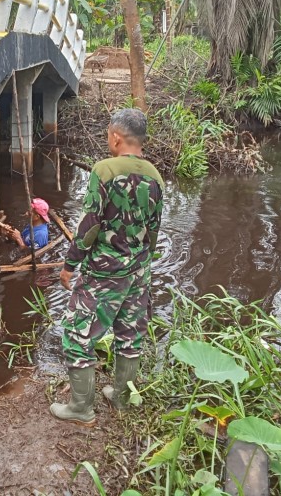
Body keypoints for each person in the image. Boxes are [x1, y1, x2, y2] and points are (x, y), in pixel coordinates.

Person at [50, 109, 164, 425]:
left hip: (104, 271)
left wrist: (70, 265)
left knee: (78, 334)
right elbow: (154, 229)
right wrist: (142, 263)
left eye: (107, 136)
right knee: (130, 334)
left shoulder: (104, 170)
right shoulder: (155, 176)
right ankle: (123, 398)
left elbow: (89, 226)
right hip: (139, 271)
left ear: (115, 137)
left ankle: (81, 408)